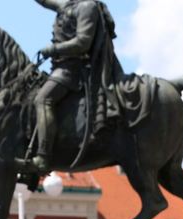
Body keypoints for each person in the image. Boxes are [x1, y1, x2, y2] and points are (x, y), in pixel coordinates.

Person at [29, 0, 124, 172]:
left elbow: (82, 42)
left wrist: (53, 49)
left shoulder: (88, 7)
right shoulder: (70, 5)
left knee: (43, 99)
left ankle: (43, 156)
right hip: (61, 67)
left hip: (74, 70)